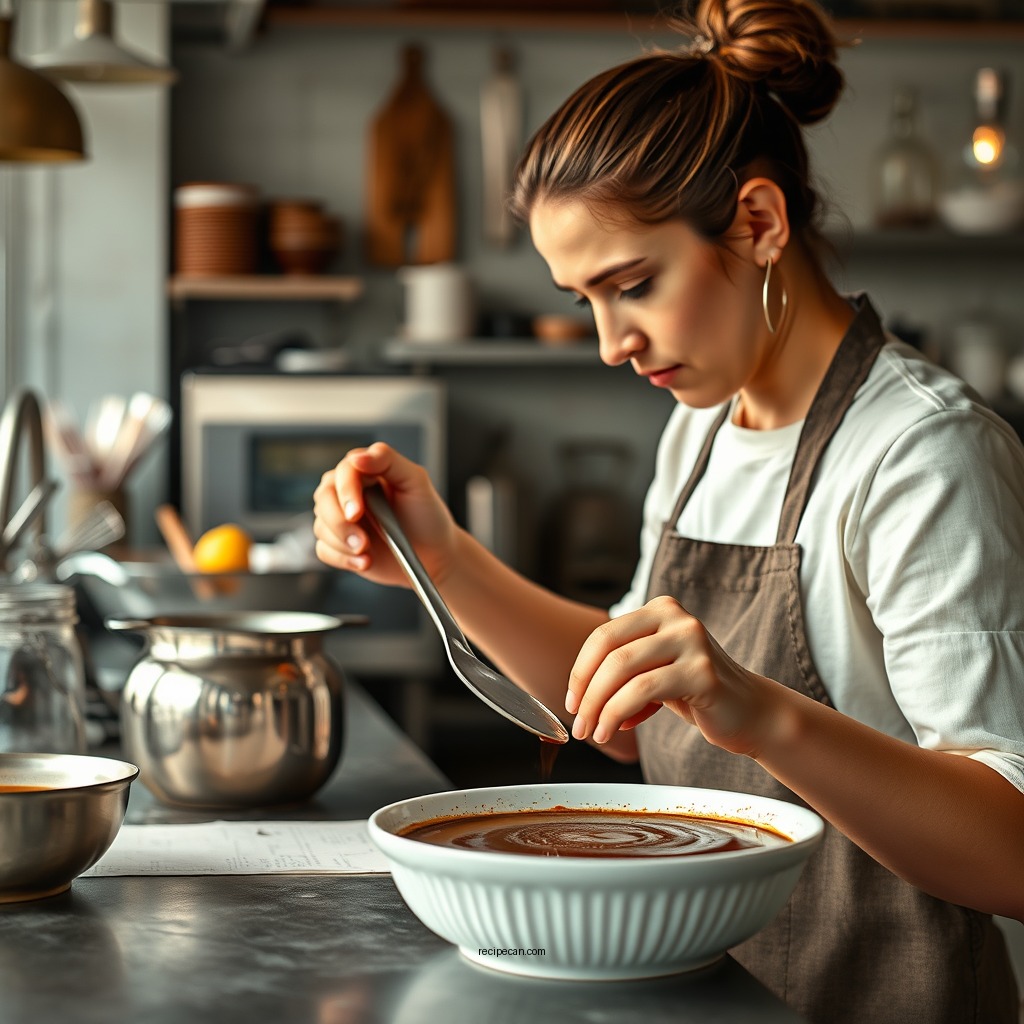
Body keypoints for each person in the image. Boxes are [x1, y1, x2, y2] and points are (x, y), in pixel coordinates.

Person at [313, 1, 1024, 1020]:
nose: (612, 343)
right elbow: (626, 708)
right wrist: (440, 558)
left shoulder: (923, 453)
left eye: (633, 285)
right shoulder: (701, 427)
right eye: (583, 300)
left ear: (759, 223)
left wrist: (761, 712)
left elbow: (1010, 851)